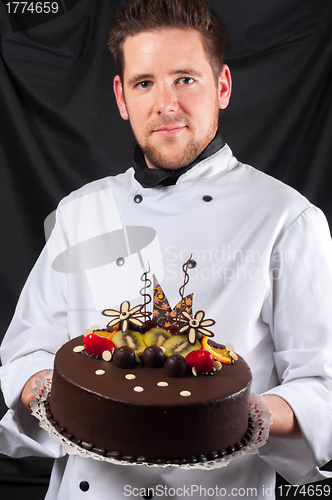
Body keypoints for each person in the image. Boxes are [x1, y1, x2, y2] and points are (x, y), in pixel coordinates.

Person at [1, 0, 332, 498]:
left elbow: (322, 385)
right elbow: (27, 351)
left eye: (185, 79)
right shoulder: (80, 212)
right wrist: (58, 395)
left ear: (221, 86)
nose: (165, 105)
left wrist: (237, 416)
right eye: (144, 83)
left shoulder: (288, 217)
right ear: (121, 96)